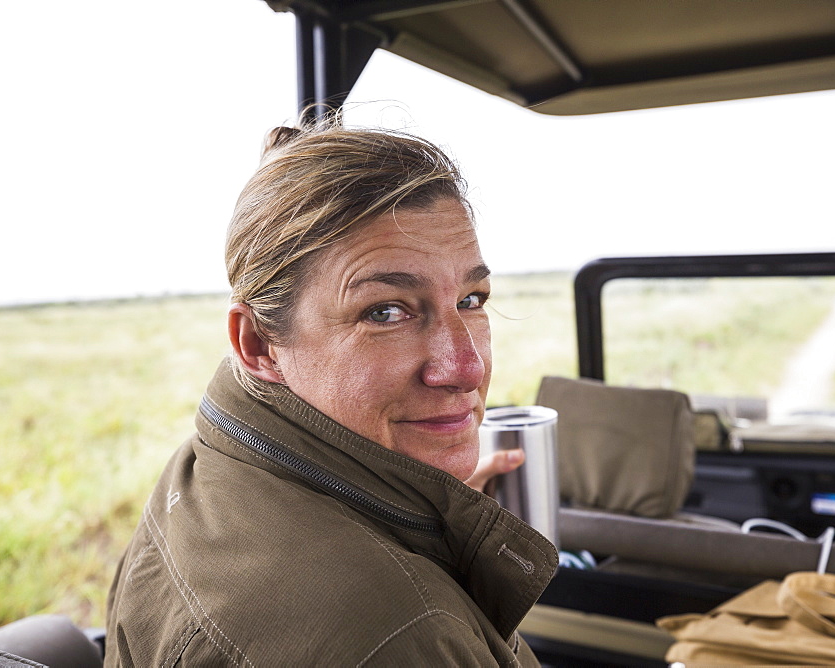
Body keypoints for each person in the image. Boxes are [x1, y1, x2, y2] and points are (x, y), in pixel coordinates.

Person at [105, 121, 557, 666]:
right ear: (258, 344)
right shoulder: (397, 632)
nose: (466, 368)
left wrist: (428, 523)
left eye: (471, 299)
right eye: (385, 312)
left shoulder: (205, 472)